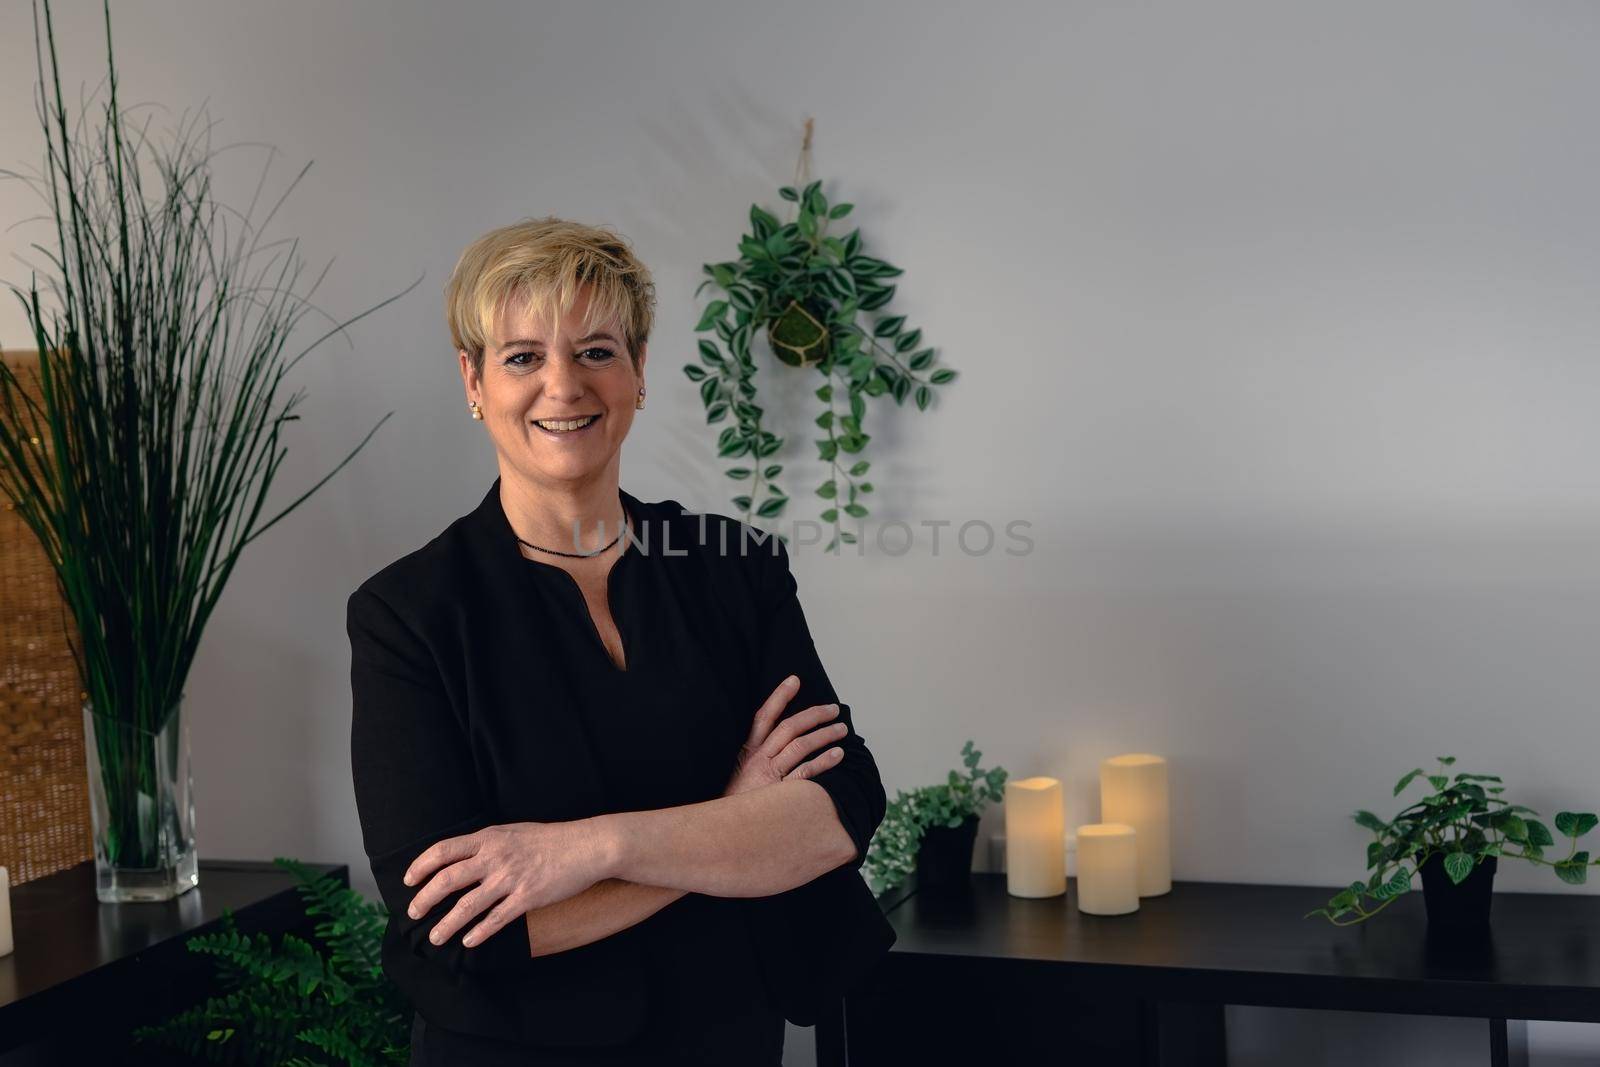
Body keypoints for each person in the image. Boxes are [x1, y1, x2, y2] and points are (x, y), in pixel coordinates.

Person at [346, 217, 896, 1066]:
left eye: (597, 350)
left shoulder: (732, 568)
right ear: (473, 380)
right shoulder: (410, 615)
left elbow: (840, 810)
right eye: (523, 355)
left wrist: (590, 850)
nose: (563, 386)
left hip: (729, 1039)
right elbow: (463, 928)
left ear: (639, 372)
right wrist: (732, 825)